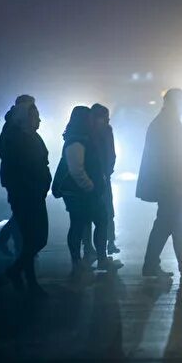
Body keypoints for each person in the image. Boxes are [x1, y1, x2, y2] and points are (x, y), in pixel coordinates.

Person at [137, 88, 182, 279]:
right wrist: (177, 184)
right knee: (168, 226)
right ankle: (156, 265)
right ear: (173, 103)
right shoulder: (166, 124)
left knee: (176, 226)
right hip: (171, 187)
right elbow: (169, 159)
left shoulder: (167, 122)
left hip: (171, 186)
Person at [53, 106, 121, 275]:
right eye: (89, 118)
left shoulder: (83, 138)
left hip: (85, 192)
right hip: (79, 193)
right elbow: (77, 170)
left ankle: (97, 258)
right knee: (80, 224)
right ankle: (81, 261)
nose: (92, 121)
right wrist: (90, 186)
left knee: (95, 221)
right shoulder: (76, 141)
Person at [0, 100, 51, 296]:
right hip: (25, 195)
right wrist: (34, 187)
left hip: (35, 193)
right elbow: (20, 169)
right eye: (35, 116)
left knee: (35, 238)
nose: (39, 120)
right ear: (25, 118)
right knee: (34, 238)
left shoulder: (31, 136)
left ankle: (22, 275)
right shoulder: (16, 139)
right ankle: (23, 276)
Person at [0, 94, 35, 257]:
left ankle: (10, 241)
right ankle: (20, 247)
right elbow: (2, 149)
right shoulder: (13, 126)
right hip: (16, 177)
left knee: (20, 211)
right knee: (21, 211)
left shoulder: (14, 124)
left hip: (16, 176)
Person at [91, 103, 119, 255]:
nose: (107, 120)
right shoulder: (91, 132)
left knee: (108, 211)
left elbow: (111, 152)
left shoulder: (106, 130)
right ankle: (93, 246)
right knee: (100, 212)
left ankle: (110, 242)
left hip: (103, 176)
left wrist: (108, 170)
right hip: (95, 177)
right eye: (104, 117)